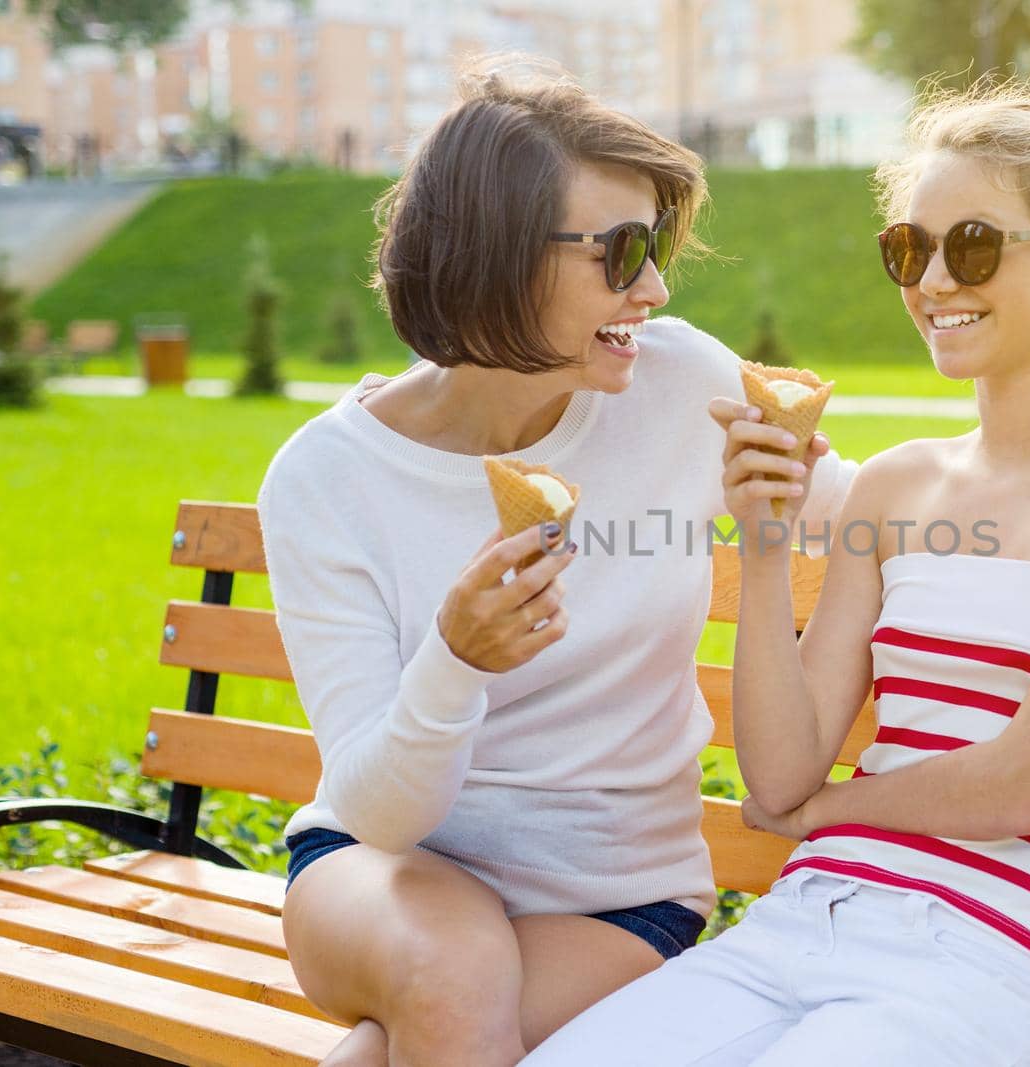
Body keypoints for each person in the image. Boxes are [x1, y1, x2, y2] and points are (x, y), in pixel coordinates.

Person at [522, 81, 1030, 1067]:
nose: (934, 279)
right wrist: (767, 547)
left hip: (985, 956)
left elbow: (1024, 785)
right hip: (796, 926)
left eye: (974, 243)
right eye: (910, 248)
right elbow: (777, 769)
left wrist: (820, 814)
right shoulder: (898, 483)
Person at [257, 59, 855, 1066]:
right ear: (493, 255)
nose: (655, 289)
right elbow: (379, 809)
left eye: (655, 246)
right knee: (452, 970)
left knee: (407, 1036)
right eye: (620, 253)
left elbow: (866, 519)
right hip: (380, 873)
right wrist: (454, 661)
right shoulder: (326, 478)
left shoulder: (682, 385)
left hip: (619, 896)